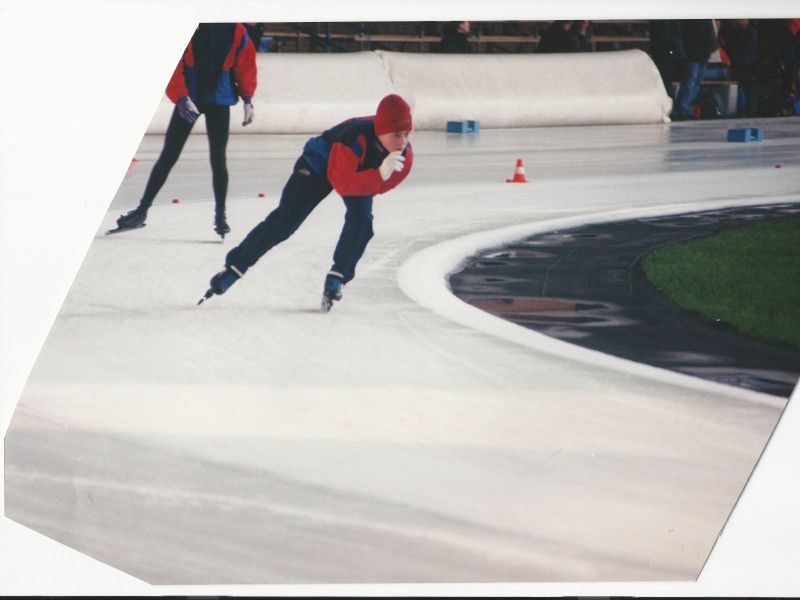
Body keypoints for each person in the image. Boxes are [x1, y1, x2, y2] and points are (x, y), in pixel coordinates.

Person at [198, 94, 414, 312]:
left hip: (359, 173)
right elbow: (341, 182)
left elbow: (378, 187)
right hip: (318, 164)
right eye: (396, 134)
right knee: (285, 221)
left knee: (362, 221)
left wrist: (378, 176)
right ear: (380, 129)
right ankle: (234, 268)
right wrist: (378, 174)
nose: (403, 141)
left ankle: (337, 277)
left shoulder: (405, 157)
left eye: (407, 134)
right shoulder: (353, 138)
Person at [112, 23, 257, 238]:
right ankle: (142, 210)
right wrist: (181, 97)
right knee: (170, 154)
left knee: (217, 158)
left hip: (215, 99)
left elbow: (245, 65)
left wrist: (247, 98)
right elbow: (173, 65)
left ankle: (220, 215)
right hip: (191, 97)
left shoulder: (237, 31)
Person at [671, 19, 717, 120]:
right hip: (692, 54)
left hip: (703, 54)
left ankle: (686, 108)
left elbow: (711, 34)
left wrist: (709, 49)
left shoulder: (706, 19)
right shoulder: (687, 19)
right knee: (689, 83)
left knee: (696, 83)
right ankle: (681, 109)